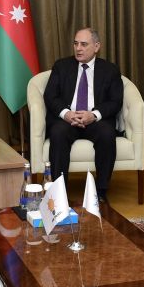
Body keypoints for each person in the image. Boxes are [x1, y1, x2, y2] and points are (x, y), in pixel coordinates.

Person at [43, 27, 124, 201]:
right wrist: (66, 114)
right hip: (67, 120)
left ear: (96, 46)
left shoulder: (110, 70)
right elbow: (50, 96)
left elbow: (115, 101)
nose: (78, 48)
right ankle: (59, 192)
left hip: (95, 120)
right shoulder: (61, 66)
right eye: (76, 43)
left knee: (107, 134)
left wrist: (93, 115)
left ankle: (101, 192)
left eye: (84, 44)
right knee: (58, 133)